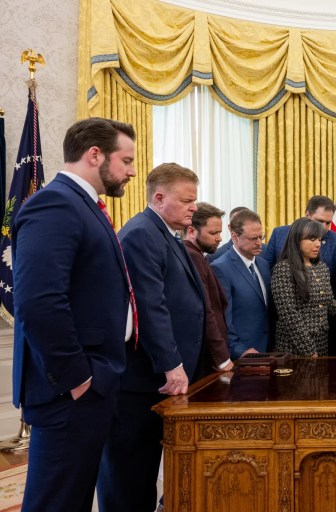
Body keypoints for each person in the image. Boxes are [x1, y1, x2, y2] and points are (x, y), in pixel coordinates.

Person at [11, 118, 136, 512]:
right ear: (94, 154)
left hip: (89, 388)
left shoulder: (84, 205)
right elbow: (38, 302)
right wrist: (78, 378)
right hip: (70, 392)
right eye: (126, 159)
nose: (132, 171)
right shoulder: (56, 203)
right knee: (56, 502)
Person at [98, 162, 205, 512]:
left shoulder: (163, 233)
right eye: (187, 200)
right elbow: (149, 306)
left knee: (144, 470)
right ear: (159, 198)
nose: (194, 207)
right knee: (128, 473)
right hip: (141, 379)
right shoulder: (142, 232)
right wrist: (172, 364)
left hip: (154, 379)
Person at [271, 218, 336, 356]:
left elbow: (327, 306)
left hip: (322, 344)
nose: (317, 244)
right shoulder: (283, 269)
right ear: (297, 241)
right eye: (311, 240)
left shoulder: (321, 267)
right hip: (294, 348)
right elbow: (289, 315)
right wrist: (309, 350)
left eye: (319, 240)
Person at [262, 195, 336, 299]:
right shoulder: (279, 234)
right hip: (283, 304)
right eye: (320, 221)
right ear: (307, 215)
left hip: (323, 308)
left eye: (328, 223)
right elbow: (267, 271)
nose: (323, 227)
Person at [211, 210, 272, 358]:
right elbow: (224, 320)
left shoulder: (263, 265)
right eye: (253, 238)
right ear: (235, 237)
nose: (259, 243)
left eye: (261, 237)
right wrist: (239, 350)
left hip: (267, 349)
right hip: (243, 354)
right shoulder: (220, 268)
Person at [182, 202, 233, 375]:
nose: (219, 238)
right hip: (205, 359)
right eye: (213, 233)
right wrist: (222, 357)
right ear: (191, 231)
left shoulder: (198, 256)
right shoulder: (192, 257)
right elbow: (206, 311)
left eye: (219, 232)